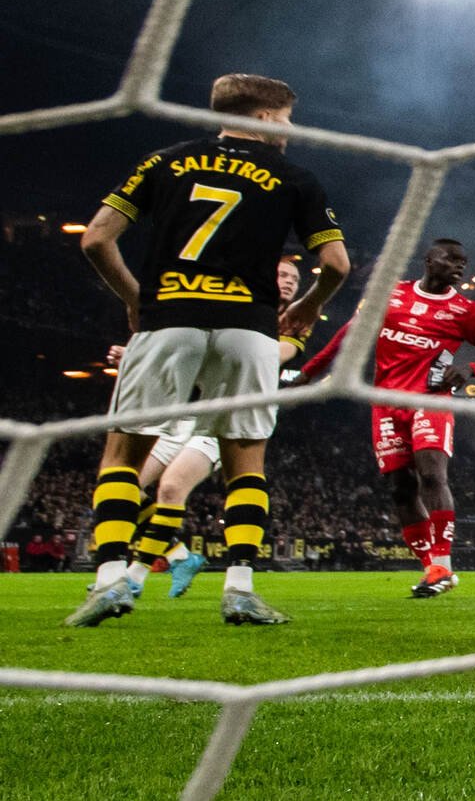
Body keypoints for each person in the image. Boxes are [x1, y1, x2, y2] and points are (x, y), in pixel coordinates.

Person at [65, 73, 349, 627]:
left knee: (123, 457)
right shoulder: (294, 177)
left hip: (170, 317)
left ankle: (108, 580)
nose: (291, 131)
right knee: (246, 467)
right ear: (264, 117)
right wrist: (311, 306)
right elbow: (337, 266)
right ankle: (240, 589)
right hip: (250, 329)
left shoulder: (164, 162)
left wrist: (136, 300)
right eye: (288, 119)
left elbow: (95, 238)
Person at [299, 238, 475, 597]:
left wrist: (469, 370)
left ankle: (443, 563)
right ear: (429, 260)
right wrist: (308, 372)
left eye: (464, 262)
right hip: (385, 403)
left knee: (431, 474)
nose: (460, 266)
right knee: (400, 489)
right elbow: (347, 334)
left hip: (431, 400)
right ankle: (432, 570)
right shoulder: (389, 294)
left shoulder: (466, 311)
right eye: (452, 259)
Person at [117, 254, 312, 599]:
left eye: (294, 280)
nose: (287, 282)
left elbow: (276, 355)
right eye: (281, 274)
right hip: (184, 412)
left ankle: (134, 576)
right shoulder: (234, 302)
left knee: (171, 490)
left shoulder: (294, 321)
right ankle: (180, 556)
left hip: (228, 417)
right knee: (129, 485)